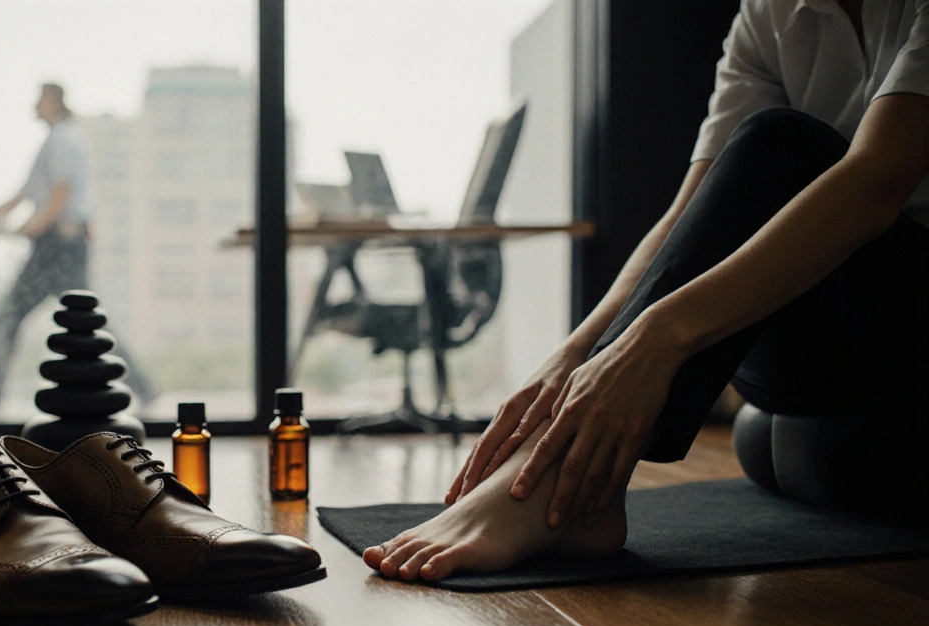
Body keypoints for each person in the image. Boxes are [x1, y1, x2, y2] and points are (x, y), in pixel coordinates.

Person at [365, 0, 929, 582]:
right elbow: (689, 217)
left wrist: (656, 339)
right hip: (845, 338)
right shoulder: (767, 15)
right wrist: (579, 353)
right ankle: (570, 480)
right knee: (768, 445)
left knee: (778, 144)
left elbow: (878, 178)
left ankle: (560, 493)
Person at [0, 83, 94, 411]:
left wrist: (34, 227)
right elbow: (22, 196)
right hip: (62, 243)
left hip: (58, 244)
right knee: (87, 321)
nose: (35, 105)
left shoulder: (63, 139)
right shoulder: (55, 141)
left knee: (8, 316)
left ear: (54, 100)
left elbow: (62, 192)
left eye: (40, 99)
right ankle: (146, 388)